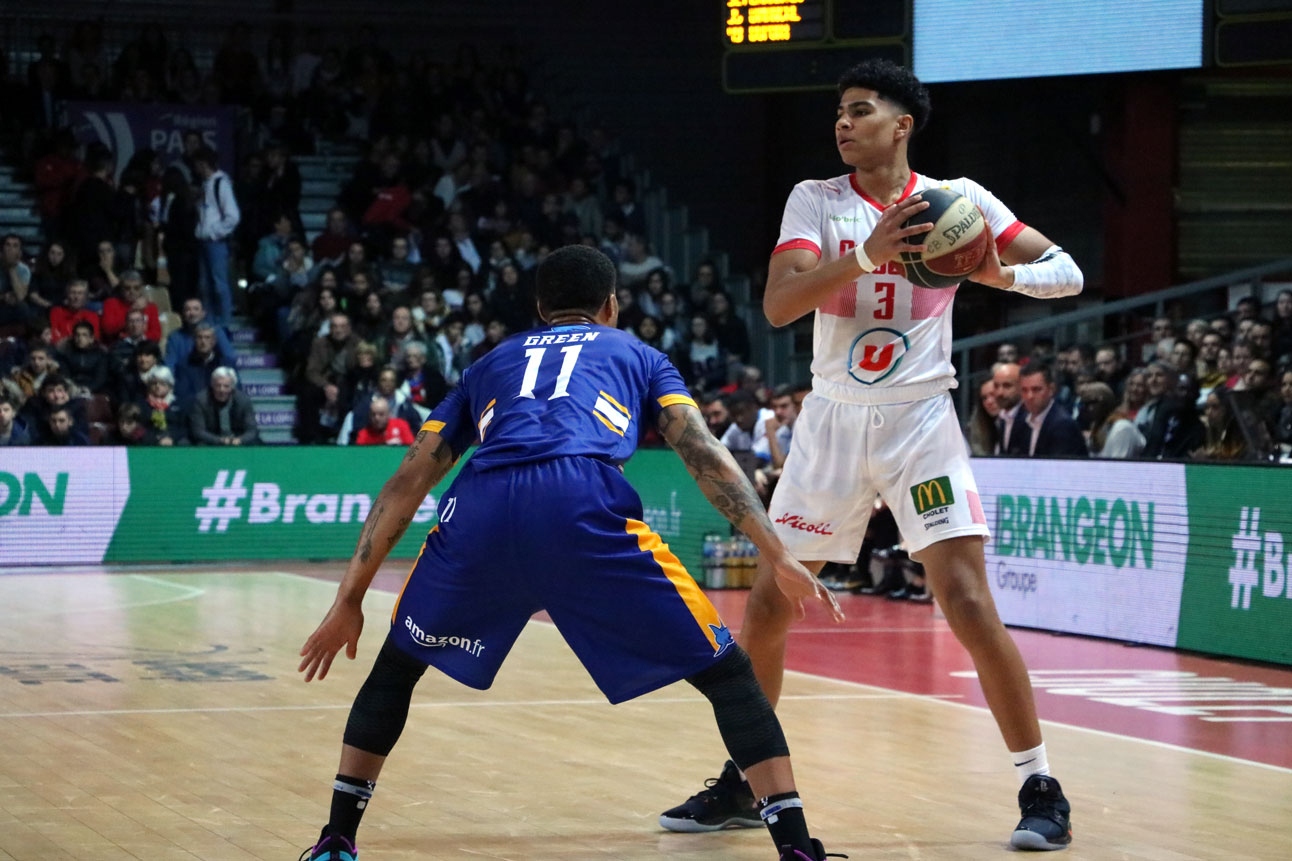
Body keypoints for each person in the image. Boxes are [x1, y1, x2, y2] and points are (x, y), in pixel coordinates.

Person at [295, 245, 843, 861]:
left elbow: (407, 481)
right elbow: (704, 453)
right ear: (611, 305)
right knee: (728, 674)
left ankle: (336, 839)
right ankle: (795, 847)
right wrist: (777, 554)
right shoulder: (640, 354)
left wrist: (350, 600)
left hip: (482, 510)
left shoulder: (490, 362)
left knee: (397, 666)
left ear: (539, 308)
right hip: (582, 502)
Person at [660, 59, 1080, 851]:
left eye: (860, 111)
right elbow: (781, 304)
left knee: (964, 598)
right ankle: (748, 780)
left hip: (921, 417)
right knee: (771, 606)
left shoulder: (960, 201)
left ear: (902, 123)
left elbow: (1067, 271)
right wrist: (865, 254)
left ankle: (1041, 785)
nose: (843, 124)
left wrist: (990, 267)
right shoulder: (816, 200)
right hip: (831, 422)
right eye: (839, 114)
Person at [193, 146, 241, 328]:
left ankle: (224, 322)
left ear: (203, 164)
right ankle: (209, 321)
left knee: (219, 284)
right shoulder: (207, 183)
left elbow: (233, 216)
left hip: (216, 242)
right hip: (205, 241)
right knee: (205, 284)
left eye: (197, 165)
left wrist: (214, 232)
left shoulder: (221, 183)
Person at [1017, 363, 1088, 458]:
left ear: (1051, 389)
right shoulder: (1023, 421)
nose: (1029, 396)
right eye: (1024, 390)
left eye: (1036, 389)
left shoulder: (1063, 425)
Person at [188, 366, 260, 446]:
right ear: (212, 385)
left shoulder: (243, 400)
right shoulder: (201, 400)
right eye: (218, 386)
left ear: (232, 387)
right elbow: (198, 431)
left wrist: (240, 440)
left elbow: (252, 430)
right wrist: (220, 440)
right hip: (212, 440)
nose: (222, 390)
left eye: (226, 386)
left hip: (237, 440)